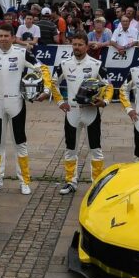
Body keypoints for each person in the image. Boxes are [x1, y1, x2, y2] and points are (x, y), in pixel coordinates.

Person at [0, 27, 51, 194]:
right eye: (0, 36)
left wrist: (46, 90)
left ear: (13, 37)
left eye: (6, 36)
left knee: (20, 143)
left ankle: (24, 181)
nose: (3, 39)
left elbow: (42, 69)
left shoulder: (22, 53)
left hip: (16, 103)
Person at [50, 32, 114, 195]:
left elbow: (109, 86)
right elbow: (52, 83)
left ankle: (97, 183)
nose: (77, 47)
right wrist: (60, 102)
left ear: (86, 46)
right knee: (70, 148)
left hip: (91, 112)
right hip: (72, 112)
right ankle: (71, 181)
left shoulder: (96, 64)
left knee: (95, 149)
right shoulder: (64, 64)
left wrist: (104, 101)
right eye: (74, 44)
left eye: (80, 44)